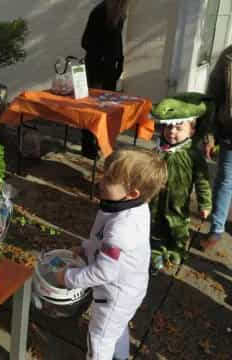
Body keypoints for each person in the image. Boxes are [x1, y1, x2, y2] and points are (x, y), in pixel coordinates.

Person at [55, 148, 167, 360]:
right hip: (129, 289)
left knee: (100, 338)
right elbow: (101, 239)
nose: (101, 180)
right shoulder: (131, 205)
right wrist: (86, 248)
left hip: (114, 295)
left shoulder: (121, 230)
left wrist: (68, 278)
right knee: (117, 328)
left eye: (109, 179)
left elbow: (102, 272)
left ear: (132, 192)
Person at [149, 94, 212, 266]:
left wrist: (205, 204)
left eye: (178, 128)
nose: (172, 132)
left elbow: (202, 181)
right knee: (156, 222)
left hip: (178, 201)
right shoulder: (158, 149)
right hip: (156, 199)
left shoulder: (193, 155)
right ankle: (157, 249)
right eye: (168, 128)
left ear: (191, 130)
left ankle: (176, 249)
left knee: (178, 226)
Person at [80, 0, 128, 159]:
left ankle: (101, 140)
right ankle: (87, 144)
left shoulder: (119, 13)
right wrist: (101, 57)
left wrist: (120, 61)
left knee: (106, 107)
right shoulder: (99, 12)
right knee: (92, 108)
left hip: (109, 68)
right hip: (96, 67)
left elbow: (117, 40)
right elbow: (86, 41)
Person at [201, 44, 232, 250]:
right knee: (225, 179)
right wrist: (209, 134)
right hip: (229, 130)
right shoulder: (228, 57)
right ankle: (216, 229)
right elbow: (213, 96)